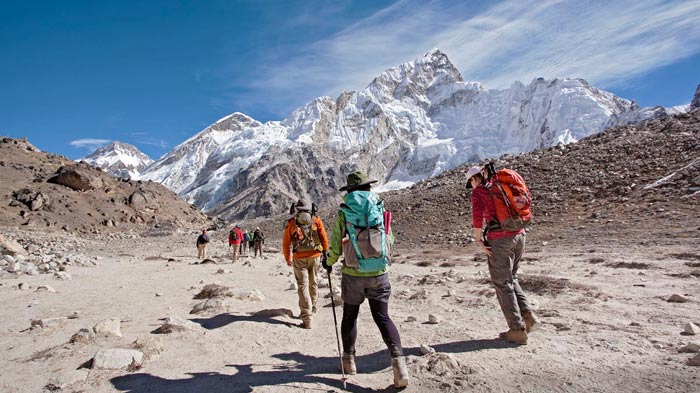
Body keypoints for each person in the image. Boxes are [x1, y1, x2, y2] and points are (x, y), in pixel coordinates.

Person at [323, 171, 409, 388]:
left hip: (353, 273)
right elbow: (388, 236)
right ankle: (400, 367)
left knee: (350, 316)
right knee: (382, 317)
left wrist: (329, 262)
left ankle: (349, 361)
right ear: (368, 187)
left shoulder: (345, 210)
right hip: (379, 272)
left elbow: (335, 243)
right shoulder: (379, 206)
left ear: (350, 190)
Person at [466, 165, 539, 345]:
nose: (472, 186)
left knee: (502, 283)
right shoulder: (499, 186)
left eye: (471, 183)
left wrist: (479, 241)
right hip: (519, 235)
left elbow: (477, 218)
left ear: (474, 179)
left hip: (501, 240)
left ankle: (517, 330)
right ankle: (527, 316)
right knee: (511, 278)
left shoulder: (479, 192)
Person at [282, 199, 329, 329]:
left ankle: (307, 317)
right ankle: (313, 309)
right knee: (313, 282)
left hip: (299, 258)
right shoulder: (316, 220)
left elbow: (286, 243)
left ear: (297, 209)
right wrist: (325, 252)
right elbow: (324, 237)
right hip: (315, 256)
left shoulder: (291, 222)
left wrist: (288, 258)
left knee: (302, 285)